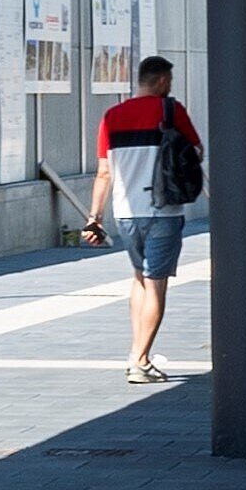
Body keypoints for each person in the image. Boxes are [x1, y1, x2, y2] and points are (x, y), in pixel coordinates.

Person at [81, 55, 200, 384]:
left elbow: (104, 172)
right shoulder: (171, 110)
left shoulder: (111, 116)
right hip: (163, 209)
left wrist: (95, 217)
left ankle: (137, 351)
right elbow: (196, 151)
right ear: (162, 81)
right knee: (156, 284)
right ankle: (140, 359)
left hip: (126, 212)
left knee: (139, 279)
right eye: (169, 82)